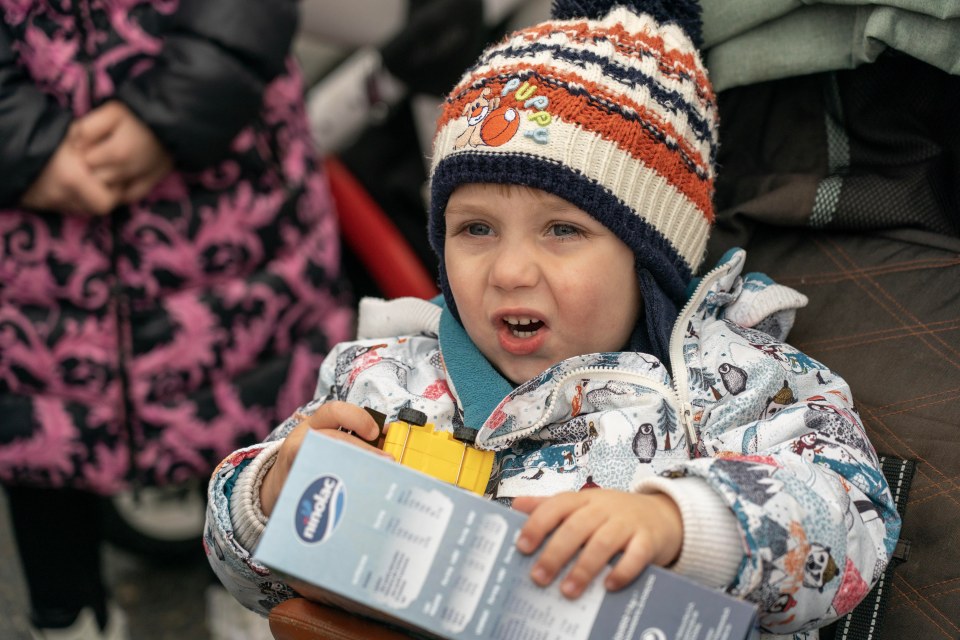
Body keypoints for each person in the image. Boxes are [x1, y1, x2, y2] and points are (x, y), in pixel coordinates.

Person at [204, 0, 901, 637]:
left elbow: (854, 517)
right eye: (475, 229)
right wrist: (271, 494)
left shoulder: (736, 382)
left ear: (647, 258)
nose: (508, 271)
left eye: (561, 231)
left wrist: (682, 525)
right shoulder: (383, 380)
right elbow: (247, 575)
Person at [0, 1, 353, 638]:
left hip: (222, 175)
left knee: (257, 411)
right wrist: (21, 137)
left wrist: (175, 105)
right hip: (29, 233)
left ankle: (260, 597)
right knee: (40, 434)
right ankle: (66, 617)